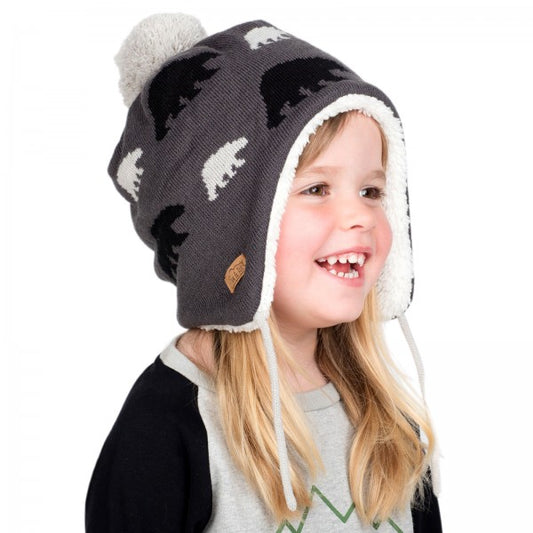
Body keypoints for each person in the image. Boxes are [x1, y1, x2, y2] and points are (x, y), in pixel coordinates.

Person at [85, 12, 443, 532]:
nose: (362, 216)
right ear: (227, 228)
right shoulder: (166, 430)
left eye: (371, 191)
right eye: (316, 189)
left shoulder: (389, 426)